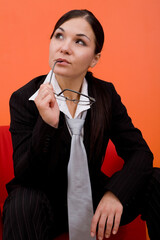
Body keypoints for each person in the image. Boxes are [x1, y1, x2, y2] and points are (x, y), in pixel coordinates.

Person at [2, 9, 160, 240]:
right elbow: (26, 175)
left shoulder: (106, 95)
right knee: (22, 202)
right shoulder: (24, 98)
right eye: (59, 36)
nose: (64, 47)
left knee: (155, 180)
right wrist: (47, 124)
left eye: (79, 41)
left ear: (94, 58)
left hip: (92, 198)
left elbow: (140, 153)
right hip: (44, 203)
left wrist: (115, 193)